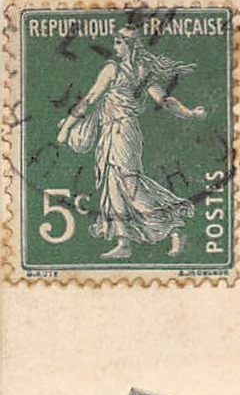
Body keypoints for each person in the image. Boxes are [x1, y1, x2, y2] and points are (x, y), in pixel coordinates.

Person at [56, 28, 208, 259]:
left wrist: (67, 127)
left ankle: (174, 228)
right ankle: (123, 242)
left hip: (120, 131)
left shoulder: (112, 69)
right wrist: (190, 114)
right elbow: (165, 101)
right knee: (113, 184)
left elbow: (90, 99)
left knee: (129, 185)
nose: (115, 47)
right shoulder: (142, 70)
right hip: (117, 131)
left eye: (119, 42)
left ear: (129, 45)